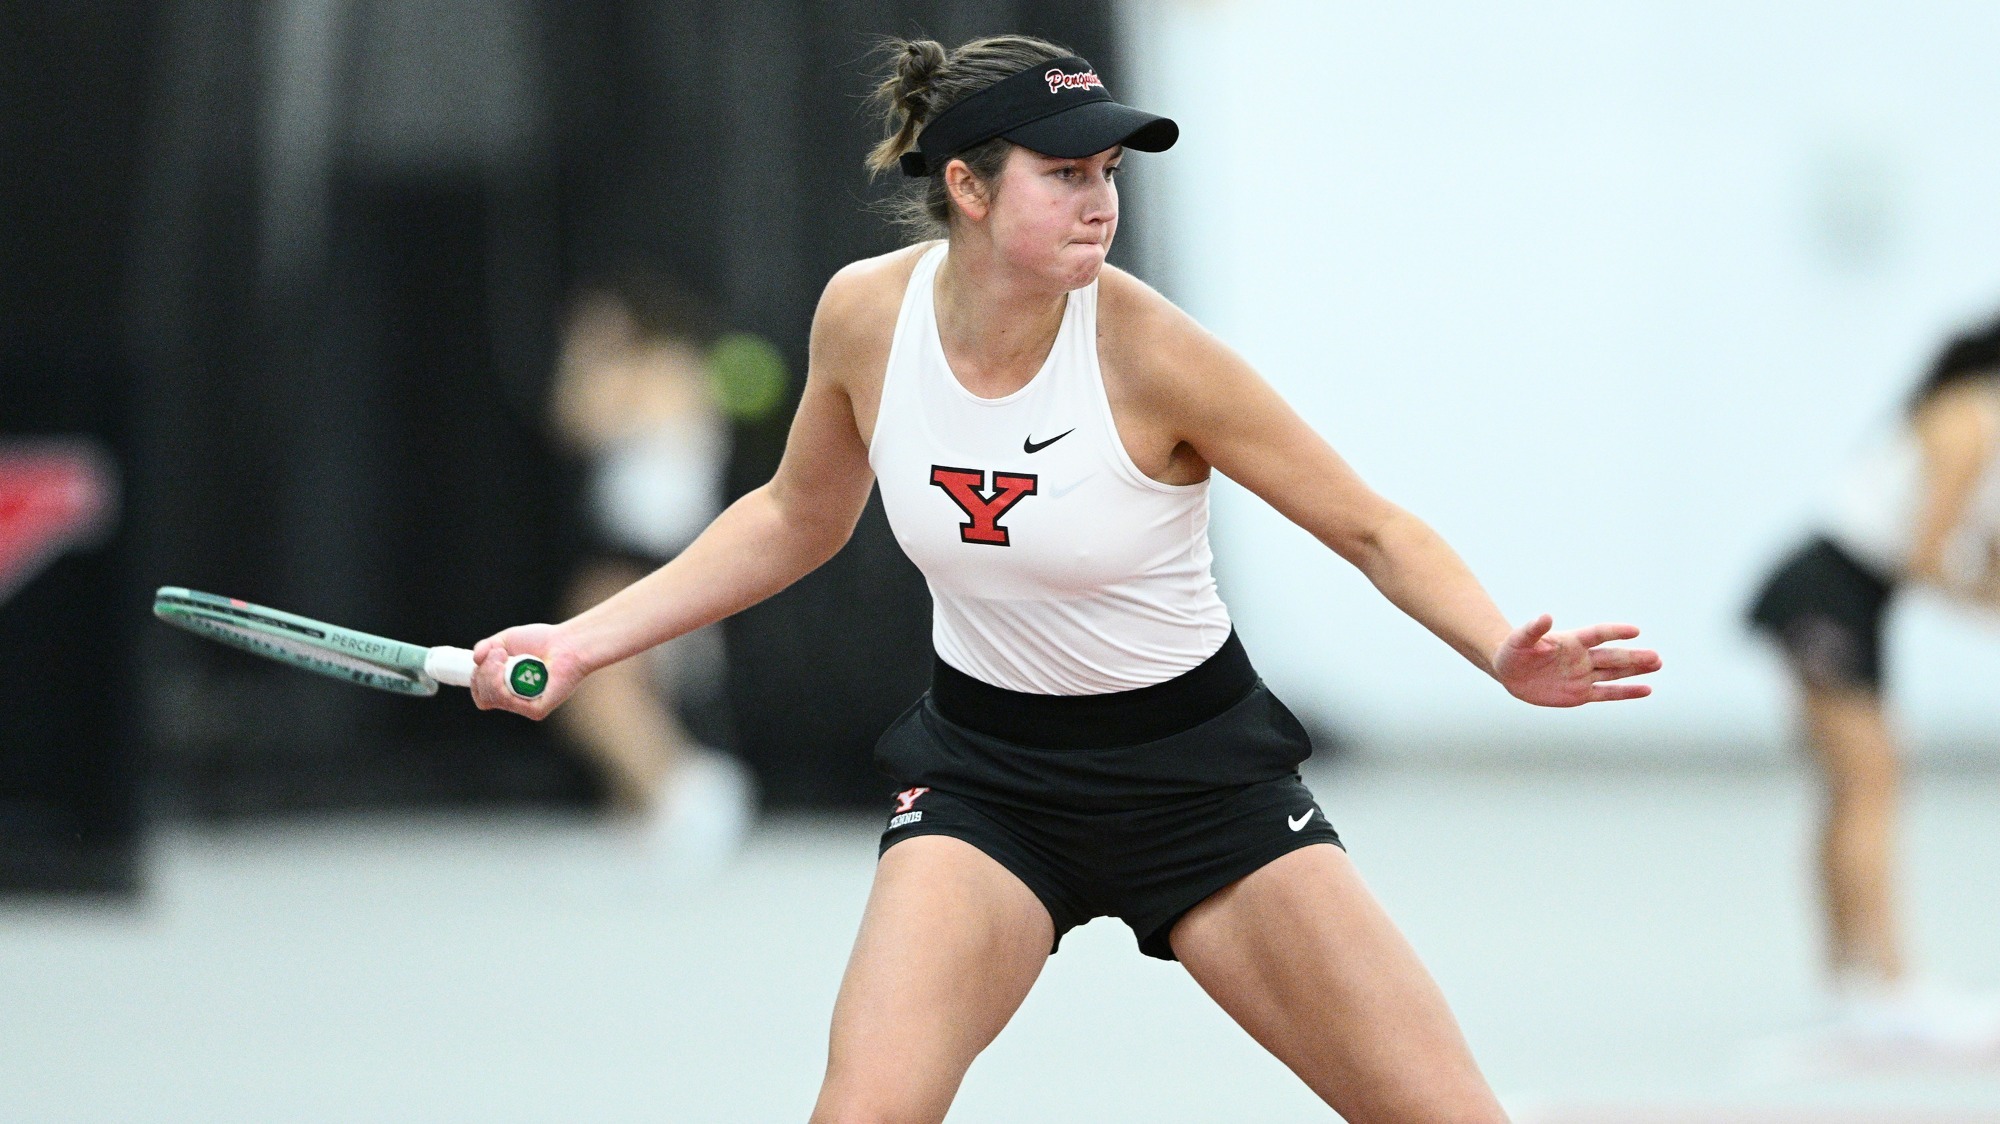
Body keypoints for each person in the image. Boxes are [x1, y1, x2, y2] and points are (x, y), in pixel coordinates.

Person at [470, 35, 1661, 1122]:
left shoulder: (1150, 350)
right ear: (968, 187)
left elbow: (1368, 526)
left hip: (1201, 783)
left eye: (1109, 174)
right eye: (1065, 174)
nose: (1101, 203)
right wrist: (584, 642)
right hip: (988, 779)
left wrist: (1495, 645)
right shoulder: (866, 318)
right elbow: (792, 518)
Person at [1748, 315, 2000, 1056]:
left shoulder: (1980, 424)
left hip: (1853, 599)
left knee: (1853, 784)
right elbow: (1929, 553)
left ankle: (1850, 983)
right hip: (1826, 593)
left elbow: (1979, 551)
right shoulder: (1965, 418)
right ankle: (1890, 988)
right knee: (1870, 781)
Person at [547, 268, 754, 876]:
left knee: (594, 691)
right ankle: (654, 806)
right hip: (646, 552)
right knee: (616, 691)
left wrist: (587, 352)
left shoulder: (663, 369)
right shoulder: (672, 370)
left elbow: (576, 420)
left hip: (648, 556)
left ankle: (699, 795)